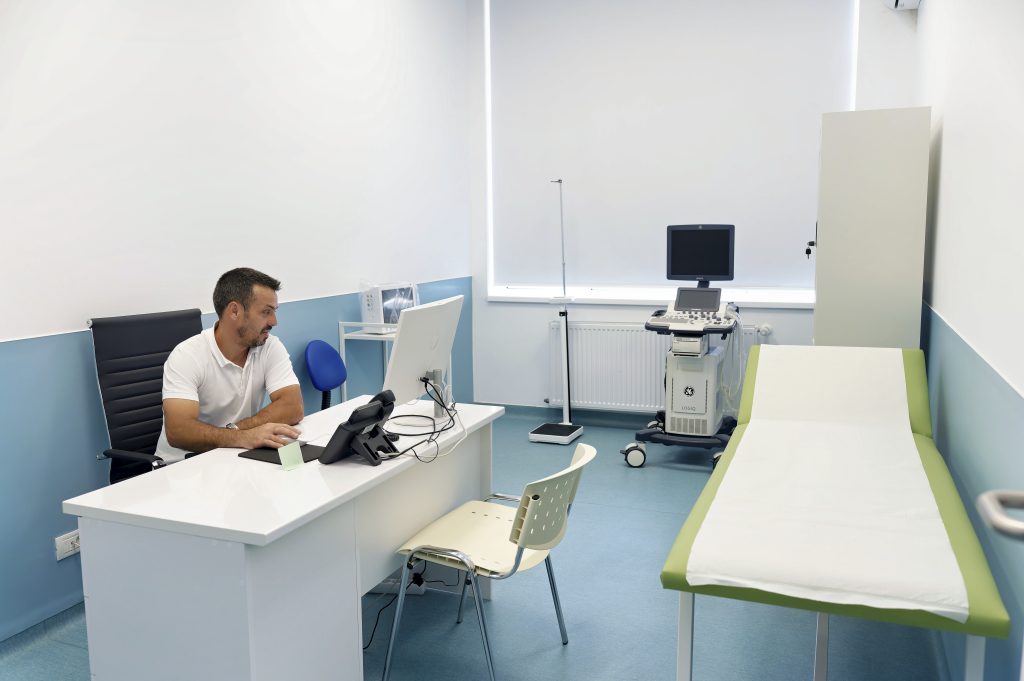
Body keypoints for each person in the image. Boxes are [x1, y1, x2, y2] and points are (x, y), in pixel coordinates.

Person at [154, 268, 304, 463]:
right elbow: (179, 431)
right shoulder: (187, 356)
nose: (274, 322)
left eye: (274, 311)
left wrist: (238, 431)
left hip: (236, 455)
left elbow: (293, 406)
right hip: (183, 466)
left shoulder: (269, 346)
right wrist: (243, 437)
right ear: (234, 311)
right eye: (266, 312)